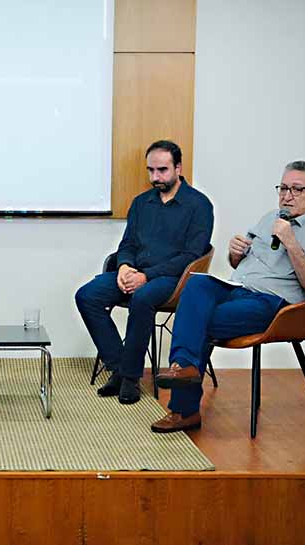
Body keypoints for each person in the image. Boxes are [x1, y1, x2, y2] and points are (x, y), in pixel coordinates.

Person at [151, 160, 305, 433]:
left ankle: (184, 407)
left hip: (273, 303)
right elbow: (238, 263)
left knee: (197, 321)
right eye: (283, 188)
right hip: (236, 288)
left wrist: (291, 243)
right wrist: (236, 253)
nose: (287, 196)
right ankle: (186, 368)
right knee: (196, 284)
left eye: (297, 189)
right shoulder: (270, 218)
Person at [75, 140, 214, 404]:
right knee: (87, 295)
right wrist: (124, 266)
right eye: (151, 170)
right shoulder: (142, 203)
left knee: (142, 298)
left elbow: (191, 256)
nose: (155, 177)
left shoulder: (199, 205)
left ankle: (130, 378)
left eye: (162, 170)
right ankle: (119, 367)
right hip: (136, 272)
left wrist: (146, 277)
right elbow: (127, 243)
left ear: (178, 168)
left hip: (174, 280)